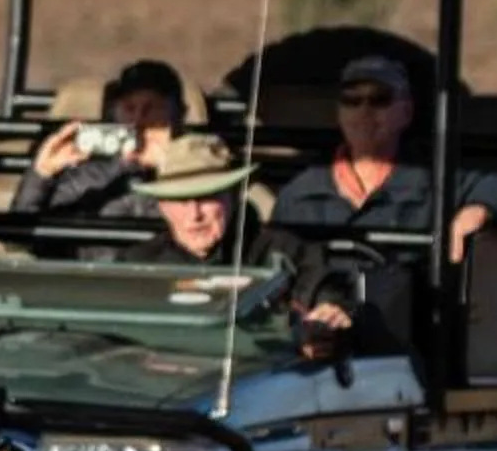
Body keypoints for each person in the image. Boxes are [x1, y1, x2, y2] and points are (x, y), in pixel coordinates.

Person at [270, 55, 497, 263]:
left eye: (380, 99)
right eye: (351, 101)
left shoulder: (439, 183)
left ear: (406, 112)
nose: (364, 111)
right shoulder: (299, 195)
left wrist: (482, 209)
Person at [123, 133, 377, 360]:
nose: (194, 214)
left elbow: (327, 293)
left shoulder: (284, 250)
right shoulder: (135, 266)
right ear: (161, 207)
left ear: (233, 195)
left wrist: (325, 322)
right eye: (179, 200)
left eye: (207, 197)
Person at [12, 58, 189, 219]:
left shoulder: (201, 168)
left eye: (152, 109)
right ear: (114, 113)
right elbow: (19, 240)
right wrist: (42, 174)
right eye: (129, 108)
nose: (138, 120)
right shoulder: (85, 173)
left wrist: (170, 167)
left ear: (178, 115)